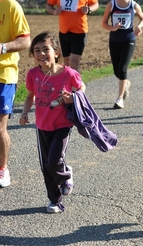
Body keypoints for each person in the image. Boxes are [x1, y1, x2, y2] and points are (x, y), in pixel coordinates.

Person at [19, 31, 84, 213]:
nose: (41, 54)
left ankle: (65, 174)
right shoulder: (33, 74)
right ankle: (54, 201)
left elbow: (81, 88)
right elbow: (30, 96)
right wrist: (25, 113)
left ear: (56, 52)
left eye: (45, 49)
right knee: (45, 166)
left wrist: (72, 97)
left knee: (54, 161)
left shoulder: (68, 73)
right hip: (42, 126)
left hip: (63, 125)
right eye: (37, 50)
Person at [0, 0, 31, 188]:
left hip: (4, 74)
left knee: (0, 127)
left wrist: (2, 47)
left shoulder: (11, 6)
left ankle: (2, 169)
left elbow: (25, 40)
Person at [101, 0, 143, 109]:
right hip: (114, 39)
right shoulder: (111, 5)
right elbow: (103, 23)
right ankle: (125, 83)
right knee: (116, 70)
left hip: (129, 39)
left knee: (123, 68)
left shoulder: (133, 5)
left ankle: (120, 98)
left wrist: (139, 26)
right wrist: (112, 28)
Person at [46, 0, 99, 76]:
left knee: (74, 62)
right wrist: (54, 11)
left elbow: (96, 4)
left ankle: (76, 88)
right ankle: (69, 86)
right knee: (66, 62)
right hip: (64, 31)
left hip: (80, 31)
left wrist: (89, 9)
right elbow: (48, 5)